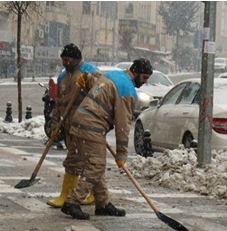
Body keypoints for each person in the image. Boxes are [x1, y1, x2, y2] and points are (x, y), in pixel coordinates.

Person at [60, 58, 153, 220]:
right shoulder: (127, 90)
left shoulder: (113, 75)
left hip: (81, 120)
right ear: (136, 73)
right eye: (144, 78)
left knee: (95, 165)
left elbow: (97, 86)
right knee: (95, 167)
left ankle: (102, 203)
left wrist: (88, 80)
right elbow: (123, 125)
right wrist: (121, 154)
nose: (144, 82)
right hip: (92, 125)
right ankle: (72, 202)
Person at [46, 43, 98, 208]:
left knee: (74, 160)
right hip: (68, 124)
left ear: (76, 59)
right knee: (81, 161)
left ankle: (67, 194)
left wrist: (89, 83)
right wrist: (55, 125)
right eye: (63, 60)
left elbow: (102, 90)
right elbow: (59, 103)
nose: (65, 63)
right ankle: (91, 193)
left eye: (67, 59)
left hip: (84, 124)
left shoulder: (88, 71)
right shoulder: (63, 77)